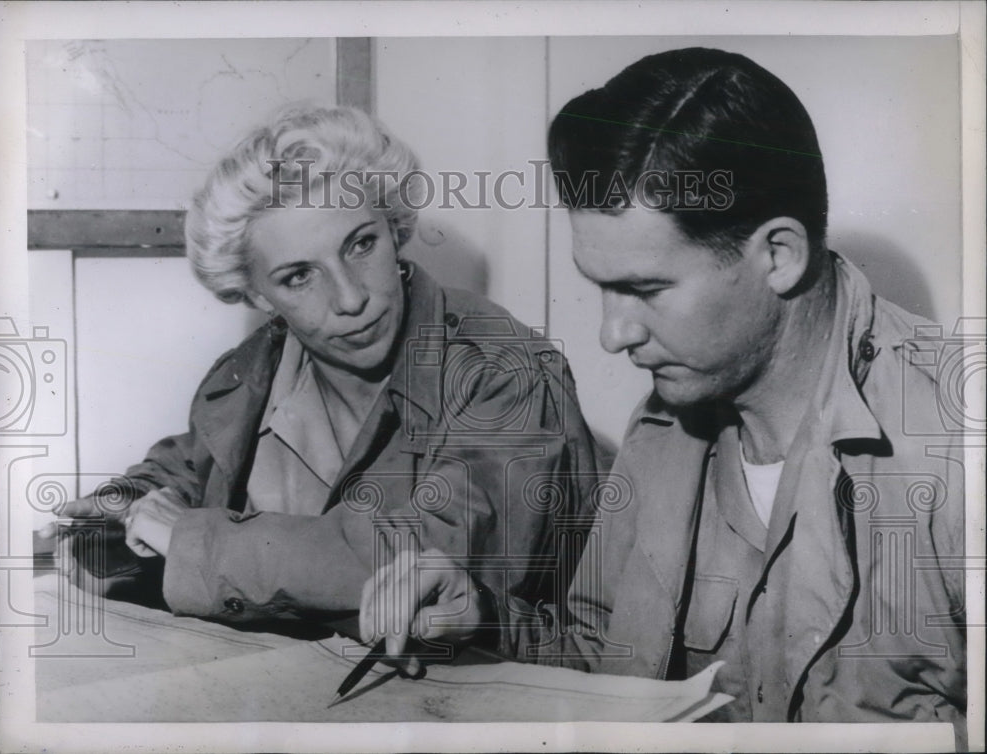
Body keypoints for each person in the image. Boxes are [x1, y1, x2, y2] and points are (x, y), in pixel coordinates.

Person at [360, 47, 968, 736]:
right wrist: (482, 619)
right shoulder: (664, 424)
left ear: (778, 255)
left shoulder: (959, 440)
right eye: (603, 289)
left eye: (645, 291)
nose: (613, 335)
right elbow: (604, 665)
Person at [46, 104, 604, 631]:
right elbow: (187, 471)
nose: (351, 298)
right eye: (298, 277)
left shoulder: (506, 370)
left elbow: (422, 564)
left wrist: (191, 539)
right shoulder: (246, 376)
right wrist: (121, 510)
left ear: (394, 226)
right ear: (258, 295)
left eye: (361, 245)